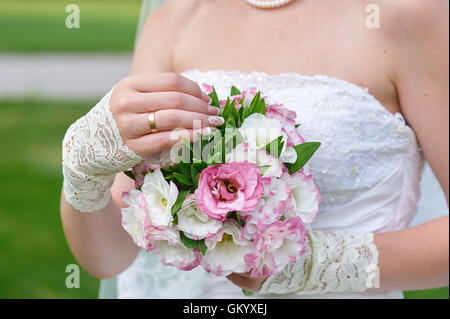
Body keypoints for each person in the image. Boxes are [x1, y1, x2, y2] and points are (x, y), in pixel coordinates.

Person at [60, 0, 449, 298]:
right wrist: (83, 171)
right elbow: (109, 258)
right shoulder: (175, 20)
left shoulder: (406, 15)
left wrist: (312, 265)